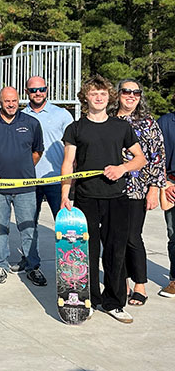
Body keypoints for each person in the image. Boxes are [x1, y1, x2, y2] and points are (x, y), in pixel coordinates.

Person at [61, 75, 146, 323]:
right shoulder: (76, 128)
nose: (98, 97)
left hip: (117, 198)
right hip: (86, 199)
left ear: (109, 97)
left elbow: (140, 158)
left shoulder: (121, 127)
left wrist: (122, 168)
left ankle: (114, 302)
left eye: (103, 94)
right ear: (85, 97)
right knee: (85, 251)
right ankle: (89, 299)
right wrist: (65, 196)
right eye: (93, 93)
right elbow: (68, 163)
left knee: (115, 252)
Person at [0, 87, 47, 286]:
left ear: (19, 101)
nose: (11, 104)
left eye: (14, 101)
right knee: (0, 228)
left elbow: (37, 151)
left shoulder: (31, 123)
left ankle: (32, 266)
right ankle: (0, 264)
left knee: (29, 228)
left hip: (25, 187)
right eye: (7, 101)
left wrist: (22, 171)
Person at [110, 79, 165, 306]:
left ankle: (140, 283)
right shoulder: (108, 120)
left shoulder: (148, 123)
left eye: (136, 92)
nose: (131, 96)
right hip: (111, 188)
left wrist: (154, 189)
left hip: (138, 189)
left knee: (133, 237)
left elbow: (157, 156)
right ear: (118, 94)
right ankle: (121, 282)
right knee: (115, 238)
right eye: (126, 91)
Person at [19, 75, 74, 273]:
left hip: (56, 179)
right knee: (28, 225)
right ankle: (31, 261)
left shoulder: (62, 115)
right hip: (29, 180)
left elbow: (72, 146)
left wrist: (72, 174)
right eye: (33, 90)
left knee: (64, 224)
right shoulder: (20, 116)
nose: (38, 93)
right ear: (27, 92)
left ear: (47, 89)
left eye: (41, 89)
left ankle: (69, 262)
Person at [157, 103, 175, 298]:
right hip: (171, 185)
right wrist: (165, 184)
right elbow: (157, 157)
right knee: (174, 235)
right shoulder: (164, 122)